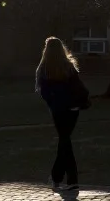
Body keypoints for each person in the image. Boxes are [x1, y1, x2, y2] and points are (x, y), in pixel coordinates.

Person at [35, 36, 91, 192]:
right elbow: (78, 86)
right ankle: (60, 178)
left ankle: (64, 178)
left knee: (64, 140)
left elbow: (44, 92)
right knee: (65, 140)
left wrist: (53, 103)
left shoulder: (44, 68)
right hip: (73, 109)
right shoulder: (68, 66)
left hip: (58, 109)